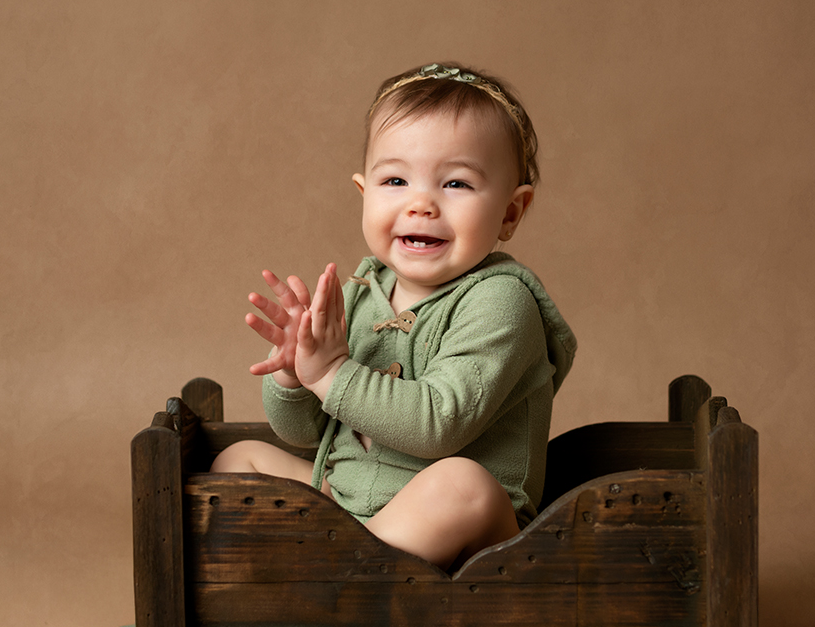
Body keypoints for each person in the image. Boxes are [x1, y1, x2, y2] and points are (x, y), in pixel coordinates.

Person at [211, 63, 576, 571]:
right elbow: (306, 434)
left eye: (457, 183)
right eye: (396, 180)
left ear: (510, 213)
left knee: (464, 484)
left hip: (464, 532)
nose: (421, 203)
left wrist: (331, 373)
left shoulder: (501, 302)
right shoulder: (360, 294)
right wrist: (296, 376)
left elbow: (438, 424)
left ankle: (335, 579)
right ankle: (329, 570)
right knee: (239, 460)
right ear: (366, 195)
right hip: (350, 507)